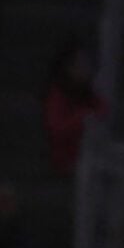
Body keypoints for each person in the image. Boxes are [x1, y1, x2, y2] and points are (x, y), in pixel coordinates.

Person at [42, 37, 105, 178]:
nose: (86, 69)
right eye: (80, 64)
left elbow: (101, 111)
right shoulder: (58, 95)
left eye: (87, 64)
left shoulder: (88, 94)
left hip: (87, 158)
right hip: (65, 164)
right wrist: (82, 118)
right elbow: (57, 129)